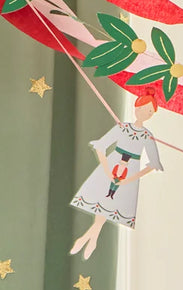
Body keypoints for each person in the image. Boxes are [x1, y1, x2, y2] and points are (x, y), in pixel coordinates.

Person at [69, 94, 162, 260]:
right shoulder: (122, 128)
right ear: (136, 108)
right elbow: (101, 146)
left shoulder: (147, 136)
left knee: (109, 203)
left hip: (130, 171)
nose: (146, 113)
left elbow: (153, 163)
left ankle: (88, 238)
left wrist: (131, 178)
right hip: (112, 164)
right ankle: (90, 239)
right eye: (144, 108)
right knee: (103, 200)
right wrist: (106, 170)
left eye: (150, 111)